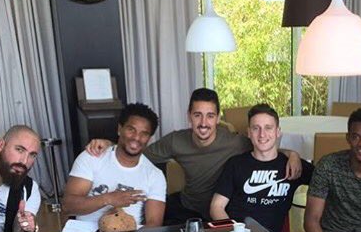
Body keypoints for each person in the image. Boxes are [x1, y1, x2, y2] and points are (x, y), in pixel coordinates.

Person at [85, 88, 302, 224]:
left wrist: (291, 153)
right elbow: (138, 152)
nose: (204, 123)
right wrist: (113, 144)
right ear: (189, 116)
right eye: (198, 115)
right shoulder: (176, 141)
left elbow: (263, 145)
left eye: (210, 116)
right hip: (187, 207)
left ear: (217, 118)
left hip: (220, 210)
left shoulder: (234, 142)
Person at [48, 102, 167, 232]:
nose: (136, 138)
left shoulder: (154, 175)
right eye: (131, 129)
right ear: (119, 129)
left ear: (149, 138)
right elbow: (68, 205)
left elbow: (154, 224)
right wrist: (108, 198)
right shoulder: (92, 158)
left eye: (144, 133)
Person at [209, 103, 313, 232]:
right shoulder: (236, 164)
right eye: (256, 128)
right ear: (249, 133)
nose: (262, 134)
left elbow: (326, 183)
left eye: (268, 128)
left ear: (278, 132)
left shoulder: (293, 165)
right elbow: (216, 207)